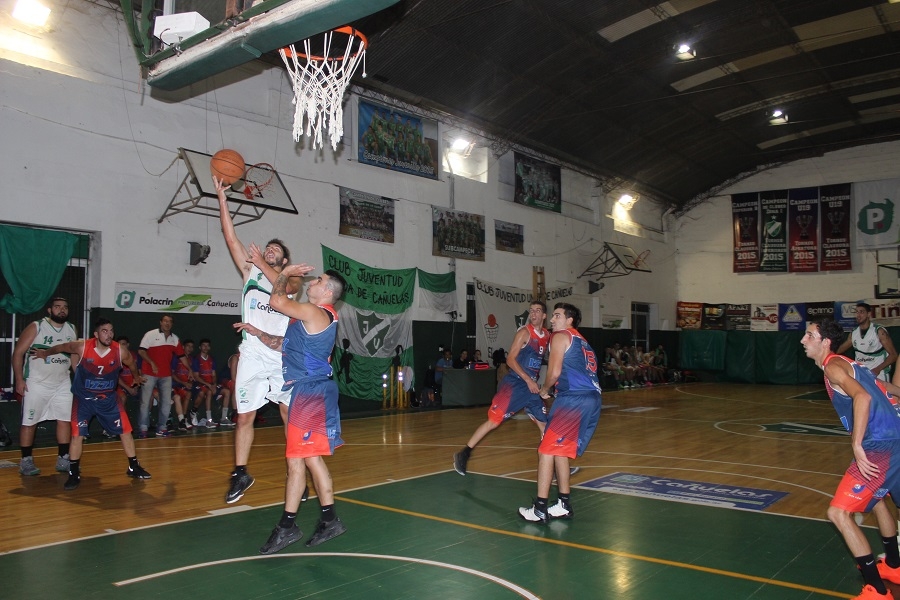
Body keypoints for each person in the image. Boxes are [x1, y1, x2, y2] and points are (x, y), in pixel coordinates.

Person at [234, 259, 349, 553]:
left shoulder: (315, 312)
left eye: (318, 280)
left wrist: (284, 273)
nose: (312, 281)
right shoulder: (309, 319)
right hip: (308, 391)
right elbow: (280, 343)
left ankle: (287, 527)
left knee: (298, 460)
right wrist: (257, 332)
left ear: (328, 292)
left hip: (310, 393)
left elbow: (276, 301)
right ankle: (328, 521)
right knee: (308, 459)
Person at [216, 176, 301, 504]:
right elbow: (230, 237)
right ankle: (240, 472)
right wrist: (222, 199)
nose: (269, 250)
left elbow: (286, 288)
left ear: (284, 260)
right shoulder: (250, 272)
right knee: (245, 415)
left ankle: (296, 471)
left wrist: (264, 263)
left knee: (287, 414)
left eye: (275, 251)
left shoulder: (291, 279)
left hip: (280, 353)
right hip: (252, 351)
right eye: (268, 248)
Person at [802, 318, 900, 600]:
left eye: (809, 335)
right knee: (878, 499)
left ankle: (877, 591)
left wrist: (857, 445)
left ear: (825, 342)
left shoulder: (833, 366)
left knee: (839, 513)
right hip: (894, 438)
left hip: (879, 443)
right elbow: (883, 387)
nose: (803, 340)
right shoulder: (850, 363)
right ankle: (894, 566)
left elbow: (863, 398)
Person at [32, 318, 151, 490]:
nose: (109, 334)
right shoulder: (82, 347)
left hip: (108, 400)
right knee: (77, 436)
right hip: (84, 400)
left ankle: (133, 466)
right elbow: (62, 347)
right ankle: (73, 473)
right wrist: (45, 353)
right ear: (96, 334)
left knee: (126, 431)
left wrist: (136, 377)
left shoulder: (120, 351)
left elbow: (132, 363)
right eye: (104, 331)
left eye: (111, 331)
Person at [519, 303, 601, 523]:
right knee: (560, 451)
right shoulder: (583, 341)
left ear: (569, 320)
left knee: (545, 449)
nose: (552, 320)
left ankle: (539, 509)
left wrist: (544, 390)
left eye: (557, 316)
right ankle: (564, 504)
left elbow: (554, 372)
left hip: (573, 399)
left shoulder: (560, 336)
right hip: (591, 399)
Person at [453, 301, 550, 476]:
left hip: (531, 388)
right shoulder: (524, 333)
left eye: (537, 311)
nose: (534, 314)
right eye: (531, 311)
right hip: (515, 384)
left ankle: (552, 467)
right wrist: (528, 380)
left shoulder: (547, 335)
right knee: (494, 421)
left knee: (545, 425)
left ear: (544, 315)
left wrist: (545, 386)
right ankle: (464, 453)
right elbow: (510, 360)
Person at [12, 297, 78, 476]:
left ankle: (63, 458)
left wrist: (79, 377)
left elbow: (74, 356)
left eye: (65, 307)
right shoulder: (37, 326)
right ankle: (26, 460)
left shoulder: (72, 329)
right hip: (37, 383)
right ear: (50, 310)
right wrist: (19, 379)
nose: (62, 310)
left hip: (62, 382)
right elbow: (18, 353)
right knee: (29, 422)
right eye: (57, 307)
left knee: (64, 420)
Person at [137, 315, 195, 438]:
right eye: (165, 321)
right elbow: (141, 351)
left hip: (166, 375)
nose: (167, 324)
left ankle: (162, 428)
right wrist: (151, 363)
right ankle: (143, 428)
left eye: (170, 322)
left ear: (172, 324)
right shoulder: (150, 334)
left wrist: (189, 369)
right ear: (161, 322)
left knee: (166, 403)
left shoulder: (174, 339)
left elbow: (182, 356)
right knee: (145, 402)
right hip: (149, 373)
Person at [836, 302, 898, 383]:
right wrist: (828, 354)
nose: (858, 315)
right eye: (856, 312)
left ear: (868, 314)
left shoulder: (879, 331)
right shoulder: (854, 333)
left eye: (861, 312)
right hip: (862, 373)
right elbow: (839, 350)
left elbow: (893, 355)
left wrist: (877, 369)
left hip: (879, 374)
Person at [190, 338, 219, 428]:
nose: (206, 347)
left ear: (209, 347)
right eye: (203, 345)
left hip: (209, 384)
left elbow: (214, 374)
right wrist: (208, 385)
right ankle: (194, 412)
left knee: (214, 392)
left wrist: (214, 384)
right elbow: (196, 376)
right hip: (199, 383)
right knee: (202, 393)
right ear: (200, 347)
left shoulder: (211, 359)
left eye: (207, 346)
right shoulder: (196, 359)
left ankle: (210, 420)